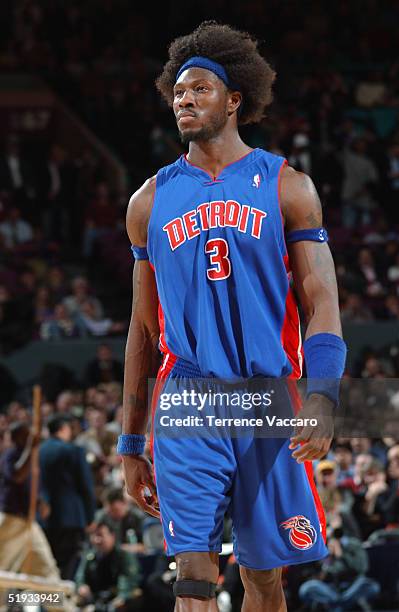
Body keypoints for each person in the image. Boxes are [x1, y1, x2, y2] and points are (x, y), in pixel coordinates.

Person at [119, 21, 346, 612]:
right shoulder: (148, 201)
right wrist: (129, 439)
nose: (185, 100)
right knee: (193, 573)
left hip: (266, 397)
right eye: (178, 93)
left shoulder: (287, 186)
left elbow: (322, 301)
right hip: (188, 397)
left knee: (264, 578)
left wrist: (322, 396)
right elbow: (143, 330)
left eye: (199, 90)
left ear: (235, 99)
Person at [0, 421, 59, 579]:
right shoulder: (10, 455)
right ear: (18, 438)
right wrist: (31, 449)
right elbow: (18, 476)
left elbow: (30, 488)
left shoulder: (32, 459)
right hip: (11, 521)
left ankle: (60, 603)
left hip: (29, 521)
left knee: (46, 571)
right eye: (26, 435)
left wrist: (40, 501)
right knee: (3, 568)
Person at [39, 414, 96, 579]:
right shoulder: (74, 451)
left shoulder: (39, 451)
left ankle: (48, 602)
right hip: (71, 517)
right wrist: (90, 516)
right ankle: (62, 601)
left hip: (44, 518)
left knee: (48, 565)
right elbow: (85, 486)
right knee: (68, 567)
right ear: (63, 429)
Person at [75, 520, 142, 611]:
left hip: (117, 599)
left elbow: (127, 580)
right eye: (94, 536)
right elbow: (80, 576)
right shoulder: (90, 557)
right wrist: (82, 586)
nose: (97, 540)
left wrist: (121, 597)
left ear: (112, 536)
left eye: (101, 535)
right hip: (96, 599)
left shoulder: (123, 556)